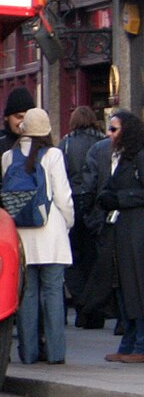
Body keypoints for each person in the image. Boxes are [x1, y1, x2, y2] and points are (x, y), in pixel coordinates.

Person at [1, 108, 75, 365]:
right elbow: (63, 195)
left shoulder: (8, 156)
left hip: (22, 234)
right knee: (53, 293)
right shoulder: (53, 154)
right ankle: (55, 353)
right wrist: (68, 222)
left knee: (28, 293)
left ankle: (28, 353)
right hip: (50, 231)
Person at [86, 110, 144, 362]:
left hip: (136, 230)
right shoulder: (122, 157)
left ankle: (139, 344)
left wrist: (119, 198)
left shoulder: (140, 156)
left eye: (114, 129)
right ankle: (128, 342)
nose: (109, 134)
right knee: (121, 285)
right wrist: (106, 198)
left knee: (136, 286)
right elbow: (107, 187)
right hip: (119, 229)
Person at [60, 106, 108, 327]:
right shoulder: (104, 142)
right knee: (94, 257)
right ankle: (95, 309)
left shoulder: (67, 143)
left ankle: (82, 305)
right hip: (99, 203)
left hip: (73, 201)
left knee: (73, 258)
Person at [0, 86, 35, 206]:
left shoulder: (38, 141)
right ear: (6, 117)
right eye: (18, 117)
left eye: (27, 117)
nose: (23, 122)